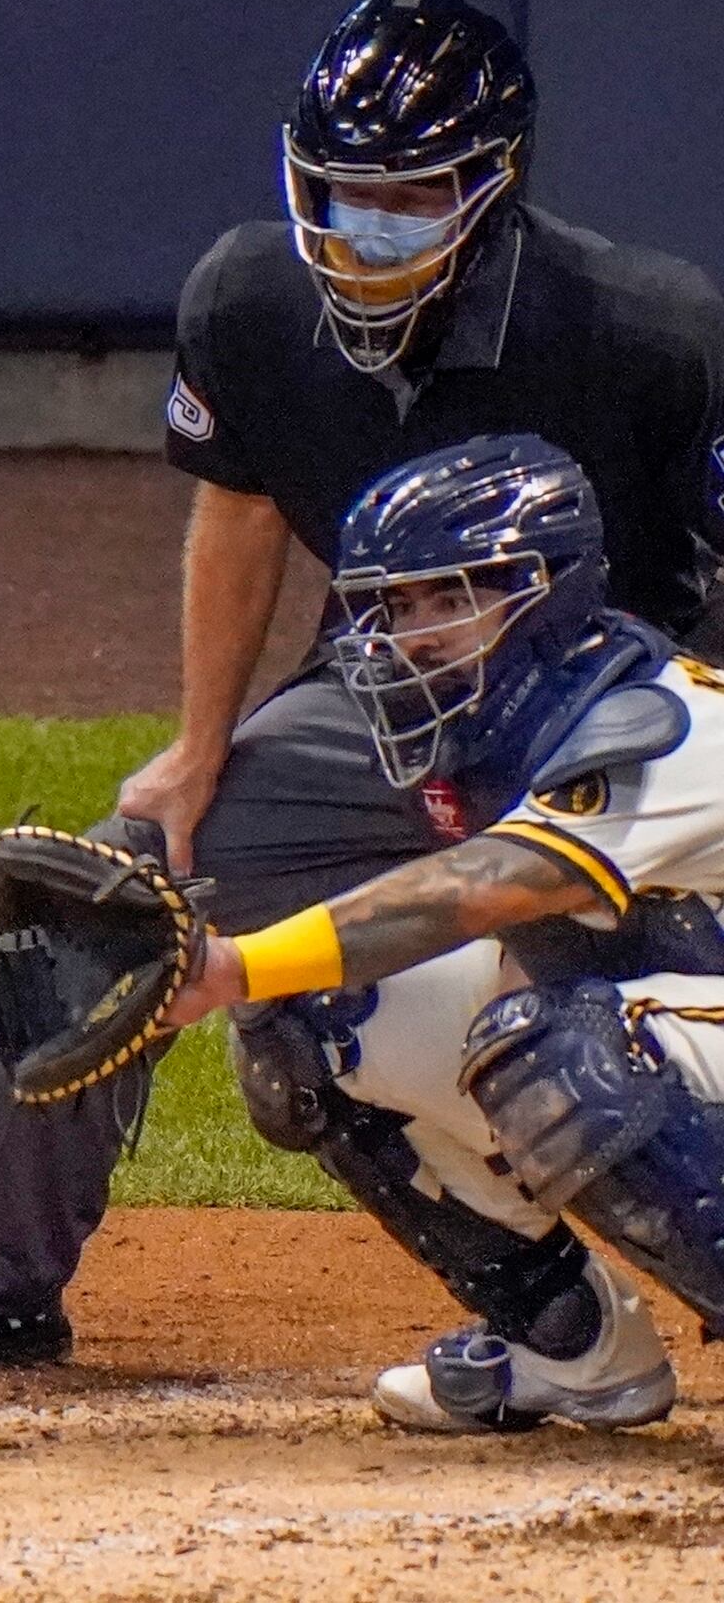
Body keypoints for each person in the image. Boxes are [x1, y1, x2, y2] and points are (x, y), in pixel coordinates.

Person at [0, 0, 724, 1379]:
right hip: (389, 709)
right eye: (340, 193)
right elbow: (236, 514)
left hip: (599, 707)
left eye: (406, 194)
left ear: (494, 181)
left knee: (582, 1034)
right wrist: (196, 748)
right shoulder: (248, 303)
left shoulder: (647, 331)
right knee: (138, 891)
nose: (366, 229)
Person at [163, 432, 724, 1431]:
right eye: (396, 606)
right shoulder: (503, 731)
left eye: (449, 597)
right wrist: (259, 980)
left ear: (543, 588)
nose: (414, 635)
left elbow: (483, 889)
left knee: (572, 1056)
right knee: (317, 1018)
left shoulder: (658, 722)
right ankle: (573, 1348)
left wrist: (231, 962)